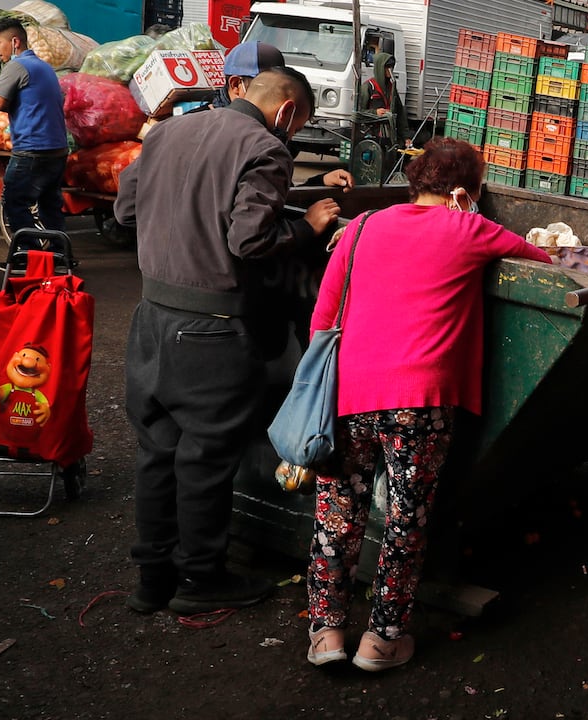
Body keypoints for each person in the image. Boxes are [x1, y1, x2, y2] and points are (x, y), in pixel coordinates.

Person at [303, 138, 551, 671]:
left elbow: (324, 315)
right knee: (404, 522)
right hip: (420, 402)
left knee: (338, 513)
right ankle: (382, 640)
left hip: (350, 391)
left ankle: (327, 635)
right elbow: (543, 258)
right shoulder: (470, 229)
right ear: (465, 191)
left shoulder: (362, 226)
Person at [114, 67, 343, 615]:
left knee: (157, 452)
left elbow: (126, 210)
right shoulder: (266, 148)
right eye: (297, 124)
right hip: (212, 330)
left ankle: (152, 580)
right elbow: (249, 240)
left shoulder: (168, 131)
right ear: (287, 111)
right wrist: (308, 226)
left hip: (152, 319)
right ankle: (199, 579)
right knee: (205, 458)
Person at [212, 41, 355, 192]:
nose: (274, 96)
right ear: (235, 84)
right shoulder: (259, 147)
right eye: (263, 84)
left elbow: (277, 194)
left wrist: (319, 182)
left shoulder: (272, 140)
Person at [0, 17, 68, 237]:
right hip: (58, 149)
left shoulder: (17, 65)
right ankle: (58, 251)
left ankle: (27, 251)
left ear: (15, 42)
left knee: (14, 201)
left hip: (32, 150)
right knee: (50, 206)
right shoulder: (44, 66)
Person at [360, 52, 410, 150]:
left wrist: (406, 137)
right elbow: (359, 112)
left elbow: (400, 114)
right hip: (371, 135)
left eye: (391, 67)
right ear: (380, 68)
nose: (389, 70)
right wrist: (375, 112)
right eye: (387, 67)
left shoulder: (392, 88)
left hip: (389, 136)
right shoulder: (368, 87)